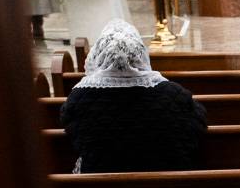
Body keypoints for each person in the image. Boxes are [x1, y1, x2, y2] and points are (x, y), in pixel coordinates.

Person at [60, 19, 207, 174]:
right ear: (140, 54)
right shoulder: (174, 94)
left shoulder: (79, 98)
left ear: (99, 55)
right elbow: (199, 122)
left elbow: (71, 132)